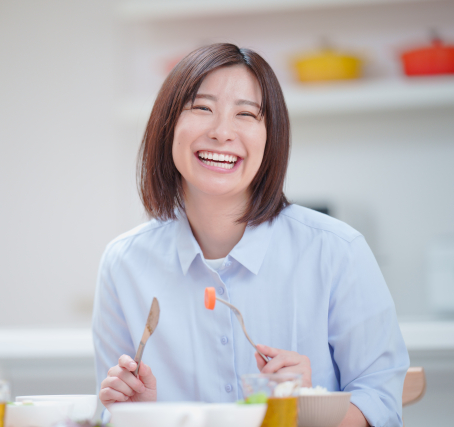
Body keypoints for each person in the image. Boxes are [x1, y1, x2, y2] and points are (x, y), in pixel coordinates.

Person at [92, 43, 409, 427]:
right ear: (167, 126)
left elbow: (382, 407)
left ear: (270, 138)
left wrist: (306, 410)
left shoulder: (337, 251)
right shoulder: (124, 263)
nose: (222, 132)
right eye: (202, 108)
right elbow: (111, 414)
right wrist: (137, 415)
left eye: (246, 114)